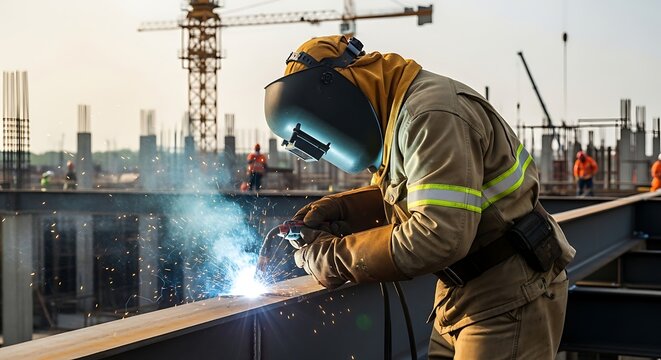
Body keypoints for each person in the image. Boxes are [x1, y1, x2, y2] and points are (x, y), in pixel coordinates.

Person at [263, 35, 575, 358]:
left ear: (337, 90)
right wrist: (342, 210)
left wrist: (333, 258)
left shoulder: (430, 115)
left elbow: (439, 235)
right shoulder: (396, 117)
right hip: (460, 294)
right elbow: (416, 195)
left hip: (509, 296)